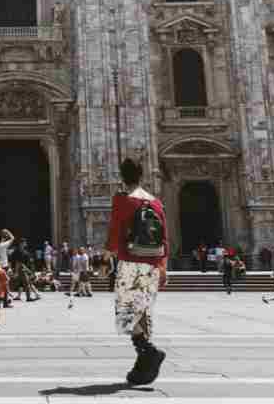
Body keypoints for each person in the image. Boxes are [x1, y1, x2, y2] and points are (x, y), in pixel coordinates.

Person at [107, 157, 168, 387]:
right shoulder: (156, 202)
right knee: (142, 313)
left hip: (131, 262)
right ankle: (143, 366)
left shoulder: (123, 200)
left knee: (126, 315)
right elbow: (165, 237)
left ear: (122, 177)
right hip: (153, 263)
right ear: (141, 176)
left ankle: (149, 353)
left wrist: (104, 259)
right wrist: (163, 266)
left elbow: (115, 233)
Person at [0, 228, 15, 308]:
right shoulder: (3, 245)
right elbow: (12, 238)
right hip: (4, 266)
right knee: (5, 284)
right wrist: (7, 232)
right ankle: (5, 302)